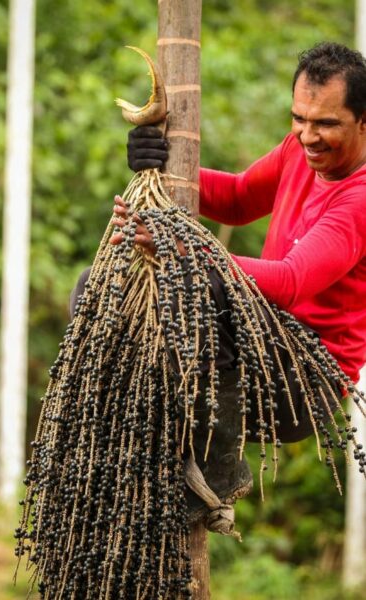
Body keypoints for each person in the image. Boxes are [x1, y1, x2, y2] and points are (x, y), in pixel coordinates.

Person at [72, 42, 366, 522]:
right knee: (99, 285)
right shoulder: (299, 152)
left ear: (363, 121)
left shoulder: (361, 199)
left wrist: (177, 243)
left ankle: (221, 469)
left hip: (299, 384)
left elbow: (291, 282)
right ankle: (138, 440)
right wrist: (160, 165)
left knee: (201, 284)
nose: (307, 135)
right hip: (251, 348)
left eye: (326, 124)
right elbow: (235, 199)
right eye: (299, 118)